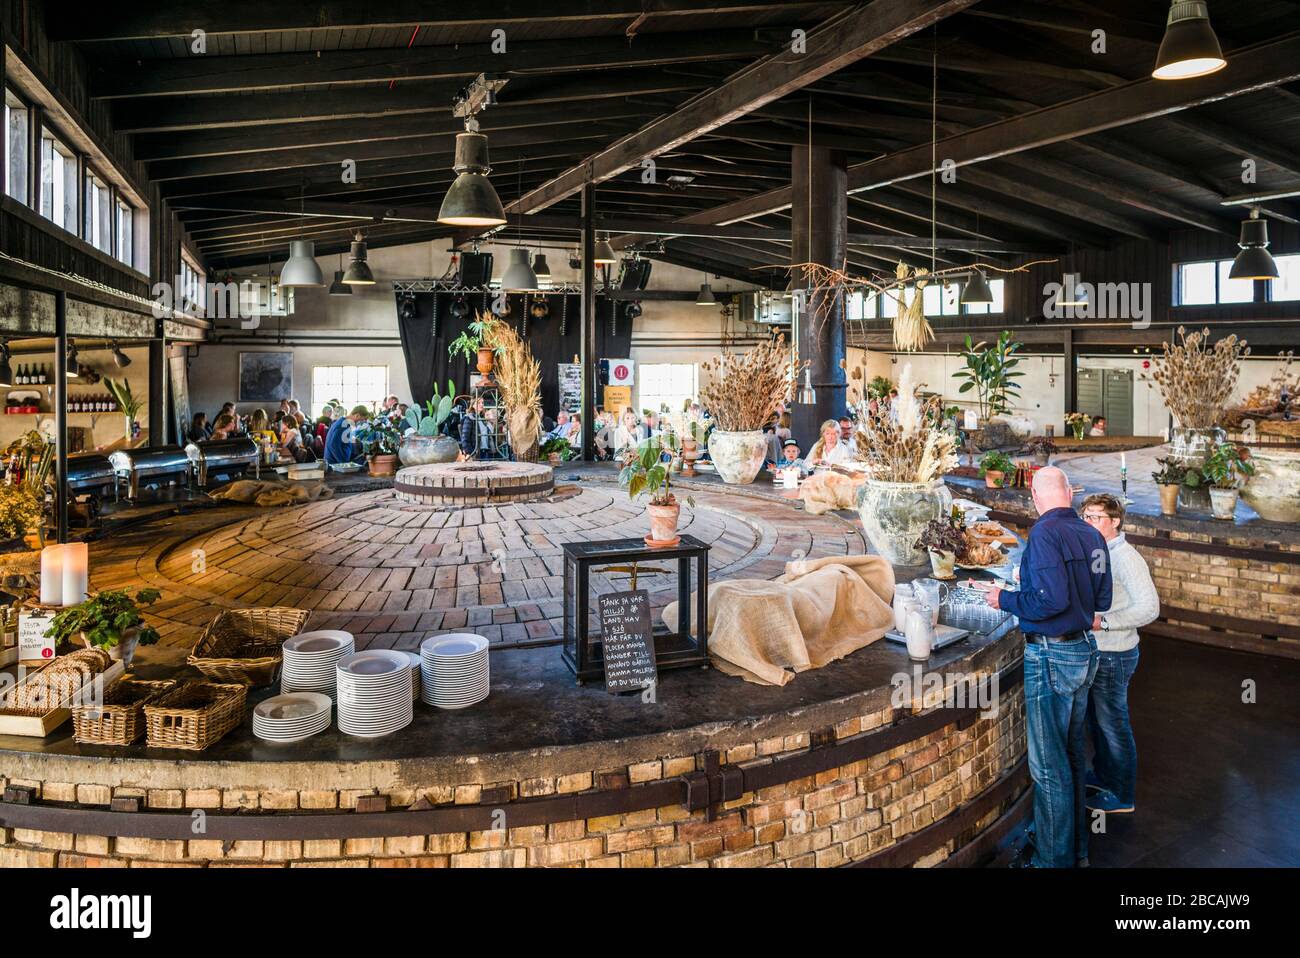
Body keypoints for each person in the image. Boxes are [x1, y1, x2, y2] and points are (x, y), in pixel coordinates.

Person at [971, 467, 1111, 868]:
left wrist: (1005, 598)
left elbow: (1050, 601)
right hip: (1085, 651)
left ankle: (1052, 861)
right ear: (1069, 492)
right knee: (1070, 757)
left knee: (1048, 768)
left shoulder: (1045, 535)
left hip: (1052, 655)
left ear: (1034, 496)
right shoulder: (1092, 534)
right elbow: (1100, 598)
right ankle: (1076, 851)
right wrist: (1032, 586)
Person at [1080, 494, 1158, 817]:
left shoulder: (1126, 558)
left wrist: (1105, 622)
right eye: (1085, 516)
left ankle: (1122, 794)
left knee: (1113, 723)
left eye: (1097, 517)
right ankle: (1103, 775)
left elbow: (1150, 607)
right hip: (1098, 650)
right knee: (1096, 721)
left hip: (1116, 653)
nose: (1089, 523)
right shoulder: (1097, 552)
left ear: (1115, 522)